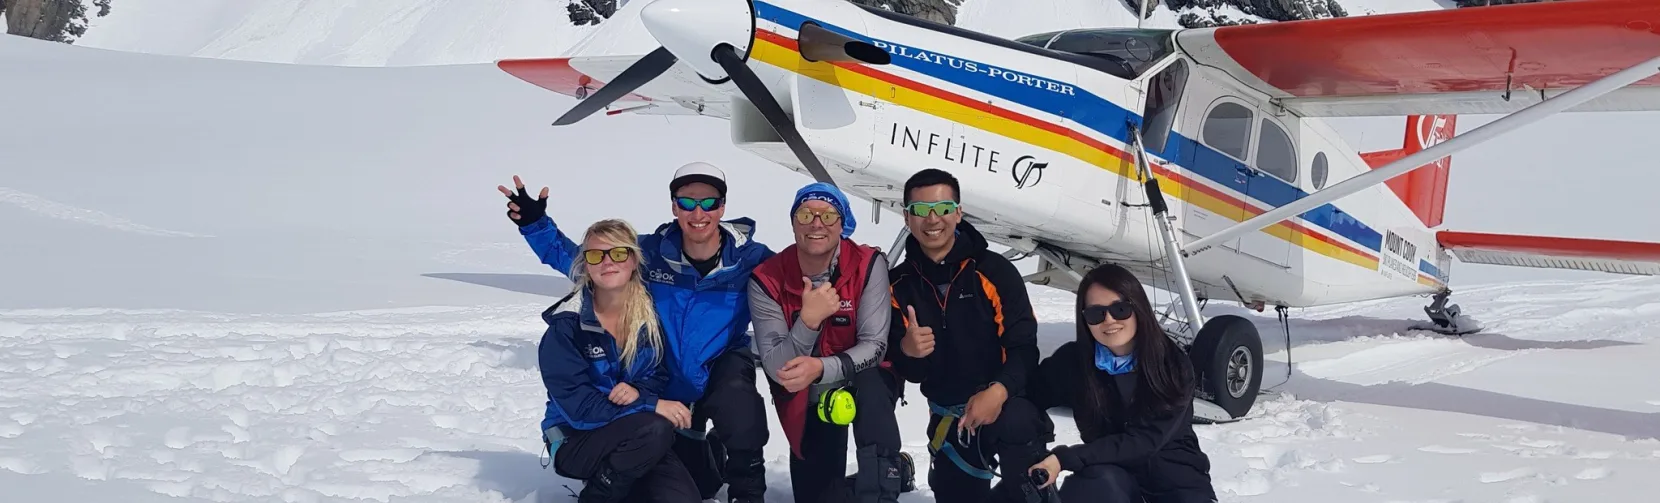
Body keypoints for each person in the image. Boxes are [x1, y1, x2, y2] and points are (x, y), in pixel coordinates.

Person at [501, 162, 775, 502]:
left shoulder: (751, 259)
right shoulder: (649, 255)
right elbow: (586, 260)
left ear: (722, 206)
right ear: (674, 206)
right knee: (682, 473)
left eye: (708, 202)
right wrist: (535, 224)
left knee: (738, 402)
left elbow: (794, 278)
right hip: (662, 391)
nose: (698, 212)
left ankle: (746, 491)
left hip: (708, 375)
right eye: (687, 202)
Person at [885, 168, 1054, 501]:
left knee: (1019, 429)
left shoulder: (994, 271)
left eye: (943, 208)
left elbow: (1024, 348)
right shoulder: (897, 285)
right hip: (952, 418)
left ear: (958, 212)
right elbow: (912, 373)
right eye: (921, 210)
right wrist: (907, 351)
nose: (933, 219)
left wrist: (998, 392)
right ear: (907, 217)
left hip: (1007, 406)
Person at [748, 182, 909, 503]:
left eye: (828, 215)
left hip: (862, 378)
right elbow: (778, 366)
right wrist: (808, 322)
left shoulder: (867, 264)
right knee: (818, 496)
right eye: (806, 214)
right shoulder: (767, 278)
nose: (816, 224)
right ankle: (870, 479)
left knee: (873, 388)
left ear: (842, 223)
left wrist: (821, 368)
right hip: (810, 394)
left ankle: (883, 487)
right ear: (793, 222)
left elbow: (875, 346)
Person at [537, 219, 700, 503]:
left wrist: (638, 390)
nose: (607, 262)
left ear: (634, 260)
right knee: (654, 428)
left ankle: (623, 479)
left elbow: (659, 375)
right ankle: (599, 495)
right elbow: (581, 409)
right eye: (595, 255)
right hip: (577, 439)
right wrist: (649, 404)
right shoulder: (566, 327)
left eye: (619, 253)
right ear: (585, 264)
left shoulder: (650, 316)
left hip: (638, 437)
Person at [1025, 263, 1218, 503]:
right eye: (1095, 314)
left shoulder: (1171, 364)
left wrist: (1065, 458)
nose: (1109, 320)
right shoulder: (1073, 362)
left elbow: (1143, 441)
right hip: (1111, 481)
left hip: (1177, 484)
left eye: (1120, 309)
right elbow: (1029, 393)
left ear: (1138, 308)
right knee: (1096, 484)